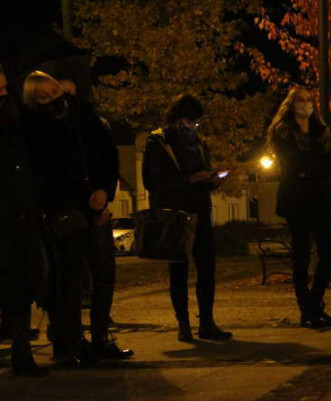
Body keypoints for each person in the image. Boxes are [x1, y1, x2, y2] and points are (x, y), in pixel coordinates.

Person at [22, 71, 122, 366]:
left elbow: (107, 153)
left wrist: (103, 190)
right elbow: (43, 172)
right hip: (64, 208)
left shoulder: (83, 115)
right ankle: (73, 340)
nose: (54, 100)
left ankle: (101, 336)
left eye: (54, 92)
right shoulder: (36, 127)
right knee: (70, 278)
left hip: (94, 202)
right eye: (45, 97)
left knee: (104, 272)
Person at [143, 94, 232, 342]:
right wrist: (190, 180)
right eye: (188, 123)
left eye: (195, 123)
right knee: (179, 269)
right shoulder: (158, 142)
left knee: (207, 267)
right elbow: (152, 182)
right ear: (176, 120)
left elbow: (201, 174)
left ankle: (207, 322)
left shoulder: (199, 143)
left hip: (200, 209)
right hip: (176, 213)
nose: (192, 127)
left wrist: (212, 180)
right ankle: (183, 325)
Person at [268, 86, 331, 328]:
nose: (305, 104)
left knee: (328, 252)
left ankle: (315, 302)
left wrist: (314, 169)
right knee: (302, 255)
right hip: (297, 199)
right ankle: (306, 309)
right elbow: (294, 165)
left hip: (320, 197)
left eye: (308, 100)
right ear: (291, 104)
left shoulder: (320, 131)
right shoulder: (283, 131)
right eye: (300, 100)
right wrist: (315, 168)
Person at [0, 65, 47, 376]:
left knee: (19, 285)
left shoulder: (14, 118)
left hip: (18, 216)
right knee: (14, 283)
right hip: (10, 214)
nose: (4, 93)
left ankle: (22, 351)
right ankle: (20, 351)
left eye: (5, 87)